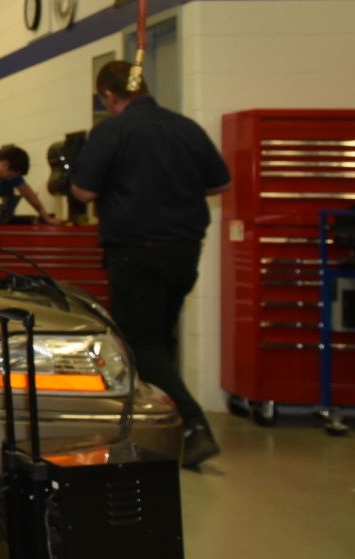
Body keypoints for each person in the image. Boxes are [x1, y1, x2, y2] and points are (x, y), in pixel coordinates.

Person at [71, 60, 231, 470]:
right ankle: (168, 424)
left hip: (135, 252)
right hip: (184, 250)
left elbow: (83, 191)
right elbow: (220, 182)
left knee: (141, 342)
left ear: (109, 96)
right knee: (162, 337)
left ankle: (194, 425)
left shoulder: (112, 131)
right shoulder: (186, 128)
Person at [0, 144, 58, 224]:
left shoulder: (8, 170)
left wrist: (46, 217)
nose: (9, 179)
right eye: (10, 176)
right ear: (5, 165)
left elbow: (28, 193)